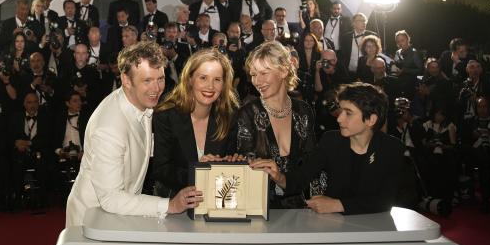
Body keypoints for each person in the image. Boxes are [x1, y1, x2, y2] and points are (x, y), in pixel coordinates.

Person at [66, 41, 202, 228]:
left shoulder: (139, 101)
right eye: (147, 80)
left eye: (160, 79)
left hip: (117, 217)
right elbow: (111, 198)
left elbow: (146, 147)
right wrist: (169, 205)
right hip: (92, 224)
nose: (156, 89)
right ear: (126, 80)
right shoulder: (109, 127)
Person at [284, 82, 404, 214]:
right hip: (333, 226)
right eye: (341, 111)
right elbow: (301, 178)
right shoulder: (331, 141)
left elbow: (386, 201)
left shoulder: (391, 148)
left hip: (375, 228)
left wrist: (339, 205)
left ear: (371, 120)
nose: (339, 119)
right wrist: (277, 176)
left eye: (348, 113)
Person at [235, 41, 317, 208]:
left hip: (301, 209)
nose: (257, 81)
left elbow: (312, 166)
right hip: (260, 208)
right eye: (253, 74)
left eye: (264, 73)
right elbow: (244, 169)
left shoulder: (303, 111)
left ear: (284, 70)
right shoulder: (247, 114)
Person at [152, 48, 240, 199]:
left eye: (217, 79)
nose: (210, 86)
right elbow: (161, 169)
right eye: (203, 78)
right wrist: (200, 171)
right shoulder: (165, 115)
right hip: (172, 200)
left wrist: (233, 163)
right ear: (190, 79)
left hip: (216, 200)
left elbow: (231, 169)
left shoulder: (230, 116)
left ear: (224, 84)